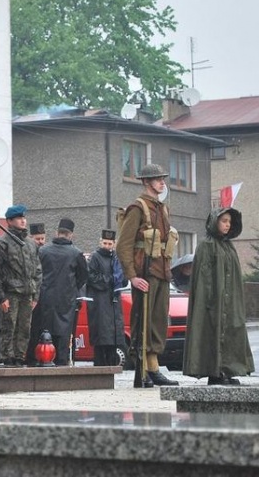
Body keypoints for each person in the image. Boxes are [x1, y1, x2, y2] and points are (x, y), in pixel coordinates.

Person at [115, 163, 179, 386]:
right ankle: (146, 368)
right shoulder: (137, 208)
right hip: (145, 272)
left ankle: (153, 366)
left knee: (158, 321)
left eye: (163, 178)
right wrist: (132, 276)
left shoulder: (162, 208)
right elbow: (123, 245)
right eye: (157, 178)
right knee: (143, 322)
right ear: (146, 182)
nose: (162, 182)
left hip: (162, 272)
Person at [183, 207, 255, 385]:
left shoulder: (228, 246)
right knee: (212, 334)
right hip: (212, 303)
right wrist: (210, 302)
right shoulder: (206, 245)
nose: (227, 225)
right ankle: (215, 373)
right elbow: (204, 278)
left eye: (229, 222)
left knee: (231, 332)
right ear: (215, 222)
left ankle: (228, 370)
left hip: (229, 302)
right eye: (224, 221)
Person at [31, 218, 88, 366]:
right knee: (63, 336)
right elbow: (83, 277)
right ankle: (62, 365)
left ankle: (42, 362)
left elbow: (36, 273)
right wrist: (72, 288)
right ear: (71, 235)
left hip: (45, 298)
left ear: (57, 233)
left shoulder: (43, 251)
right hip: (66, 300)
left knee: (44, 334)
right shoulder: (76, 253)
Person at [0, 204, 42, 367]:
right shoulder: (2, 243)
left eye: (24, 218)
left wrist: (35, 295)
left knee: (24, 328)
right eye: (19, 218)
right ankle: (7, 357)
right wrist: (1, 297)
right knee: (9, 327)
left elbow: (37, 270)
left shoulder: (30, 244)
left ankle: (20, 357)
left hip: (27, 293)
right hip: (11, 292)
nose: (23, 221)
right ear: (9, 221)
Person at [86, 229, 126, 366]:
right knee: (102, 338)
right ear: (100, 242)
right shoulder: (95, 257)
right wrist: (110, 280)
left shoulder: (116, 258)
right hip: (100, 303)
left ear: (114, 244)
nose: (107, 246)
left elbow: (123, 278)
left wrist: (121, 279)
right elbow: (91, 277)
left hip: (113, 303)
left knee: (113, 339)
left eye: (110, 244)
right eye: (105, 243)